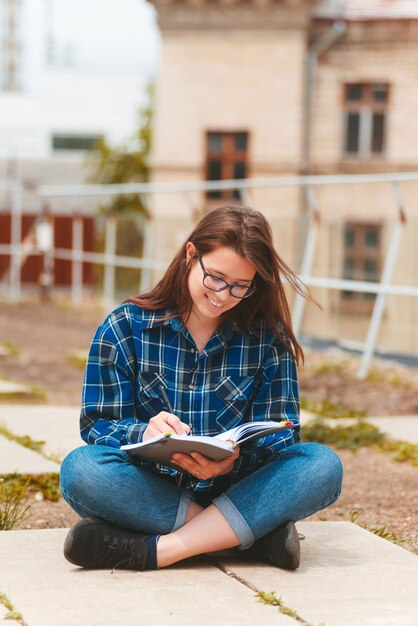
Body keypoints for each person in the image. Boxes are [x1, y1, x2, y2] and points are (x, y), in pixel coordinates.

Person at [60, 204, 343, 572]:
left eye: (241, 286)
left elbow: (282, 437)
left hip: (236, 487)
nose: (224, 295)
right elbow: (97, 423)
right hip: (151, 489)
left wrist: (233, 462)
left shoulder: (267, 342)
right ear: (191, 255)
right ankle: (244, 540)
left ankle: (160, 551)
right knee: (81, 470)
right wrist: (144, 431)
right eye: (216, 278)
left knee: (322, 466)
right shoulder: (124, 327)